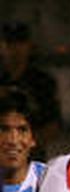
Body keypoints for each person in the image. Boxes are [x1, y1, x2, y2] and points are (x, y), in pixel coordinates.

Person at [0, 23, 60, 156]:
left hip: (32, 157)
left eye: (20, 43)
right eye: (10, 43)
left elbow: (53, 126)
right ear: (2, 46)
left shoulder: (42, 82)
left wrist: (23, 143)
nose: (15, 49)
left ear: (29, 46)